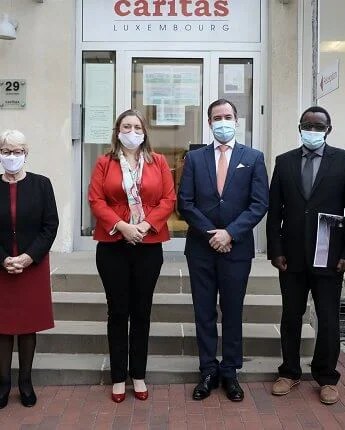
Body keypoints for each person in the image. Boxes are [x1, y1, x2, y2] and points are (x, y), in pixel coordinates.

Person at [266, 106, 345, 405]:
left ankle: (326, 376)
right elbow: (274, 212)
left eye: (318, 126)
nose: (312, 129)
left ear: (328, 129)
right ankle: (289, 371)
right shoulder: (284, 162)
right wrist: (275, 250)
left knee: (328, 318)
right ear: (299, 127)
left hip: (330, 256)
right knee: (290, 316)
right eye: (307, 125)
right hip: (291, 256)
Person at [177, 99, 269, 402]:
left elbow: (259, 204)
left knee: (232, 311)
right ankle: (207, 370)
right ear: (209, 123)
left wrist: (230, 233)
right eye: (217, 117)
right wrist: (211, 234)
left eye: (228, 116)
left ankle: (230, 371)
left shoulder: (253, 158)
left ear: (237, 120)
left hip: (237, 248)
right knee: (204, 312)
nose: (223, 122)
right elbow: (185, 203)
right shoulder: (193, 158)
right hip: (201, 249)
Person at [88, 109, 176, 403]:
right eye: (126, 126)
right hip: (113, 245)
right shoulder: (104, 162)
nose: (132, 131)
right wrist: (123, 227)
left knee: (141, 311)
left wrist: (146, 226)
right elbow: (96, 199)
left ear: (145, 132)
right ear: (117, 131)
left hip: (148, 245)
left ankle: (137, 374)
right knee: (118, 311)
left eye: (137, 126)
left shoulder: (159, 161)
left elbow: (168, 199)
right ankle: (117, 376)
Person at [0, 130, 59, 409]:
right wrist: (2, 259)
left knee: (27, 327)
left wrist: (28, 257)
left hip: (31, 266)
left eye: (18, 151)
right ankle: (3, 383)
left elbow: (50, 226)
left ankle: (25, 382)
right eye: (7, 151)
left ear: (26, 153)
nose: (13, 156)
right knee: (2, 327)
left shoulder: (42, 185)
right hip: (1, 267)